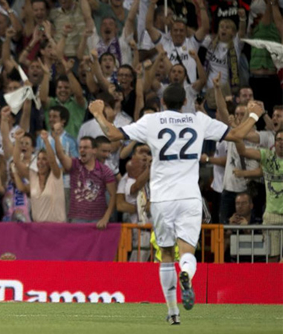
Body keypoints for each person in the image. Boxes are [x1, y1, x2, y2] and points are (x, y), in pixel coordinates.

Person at [88, 84, 265, 324]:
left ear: (162, 103)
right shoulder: (198, 120)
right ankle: (186, 274)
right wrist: (254, 114)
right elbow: (236, 135)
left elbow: (113, 135)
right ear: (185, 103)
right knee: (187, 252)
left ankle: (173, 312)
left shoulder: (153, 122)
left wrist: (98, 112)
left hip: (161, 199)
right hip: (189, 196)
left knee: (167, 254)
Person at [235, 130, 283, 262]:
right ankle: (274, 283)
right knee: (273, 258)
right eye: (278, 139)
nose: (281, 142)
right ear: (275, 142)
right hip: (271, 215)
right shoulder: (267, 156)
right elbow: (243, 151)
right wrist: (237, 136)